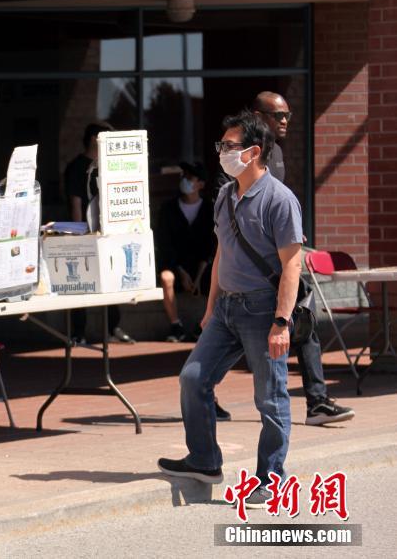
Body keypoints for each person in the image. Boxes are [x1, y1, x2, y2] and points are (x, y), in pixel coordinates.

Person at [158, 111, 301, 508]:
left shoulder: (279, 200)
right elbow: (224, 250)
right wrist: (209, 307)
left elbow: (292, 264)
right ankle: (204, 460)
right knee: (193, 379)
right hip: (226, 310)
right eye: (221, 145)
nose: (221, 152)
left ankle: (270, 479)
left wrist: (280, 322)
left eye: (229, 146)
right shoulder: (224, 195)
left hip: (262, 311)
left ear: (254, 152)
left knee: (270, 398)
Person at [218, 92, 354, 426]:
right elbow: (231, 216)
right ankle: (202, 388)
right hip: (243, 268)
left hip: (275, 263)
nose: (283, 122)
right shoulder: (236, 158)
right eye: (277, 115)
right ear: (257, 116)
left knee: (302, 322)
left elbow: (276, 204)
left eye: (287, 116)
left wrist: (287, 234)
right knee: (232, 335)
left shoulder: (275, 153)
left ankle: (317, 401)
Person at [64, 122, 135, 345]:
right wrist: (79, 233)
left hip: (108, 231)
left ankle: (112, 328)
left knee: (112, 277)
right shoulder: (77, 167)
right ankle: (78, 333)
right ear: (95, 139)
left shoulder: (109, 165)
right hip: (85, 232)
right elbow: (76, 201)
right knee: (79, 282)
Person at [155, 161, 215, 343]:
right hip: (176, 264)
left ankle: (204, 325)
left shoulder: (209, 209)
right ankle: (176, 325)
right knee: (166, 278)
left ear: (201, 184)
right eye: (184, 176)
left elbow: (211, 245)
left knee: (221, 277)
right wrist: (181, 273)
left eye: (190, 177)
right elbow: (165, 244)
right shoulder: (168, 209)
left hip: (200, 266)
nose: (185, 181)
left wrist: (198, 276)